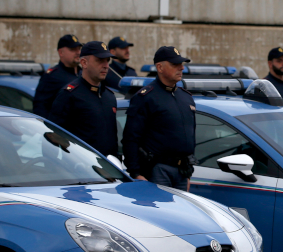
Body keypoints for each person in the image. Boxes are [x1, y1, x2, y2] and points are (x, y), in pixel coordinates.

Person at [122, 46, 196, 190]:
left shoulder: (185, 97)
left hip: (182, 172)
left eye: (181, 64)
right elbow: (131, 138)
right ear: (160, 67)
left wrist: (188, 173)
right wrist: (136, 173)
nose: (181, 68)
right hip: (158, 170)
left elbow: (191, 136)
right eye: (175, 64)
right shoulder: (146, 97)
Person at [50, 41, 118, 157]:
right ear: (84, 63)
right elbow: (53, 137)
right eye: (100, 60)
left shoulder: (109, 96)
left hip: (108, 165)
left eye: (107, 61)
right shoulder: (70, 95)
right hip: (80, 164)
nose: (106, 65)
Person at [33, 34, 83, 118]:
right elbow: (40, 107)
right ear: (61, 52)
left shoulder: (83, 73)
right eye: (73, 49)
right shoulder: (52, 76)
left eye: (79, 49)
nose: (78, 52)